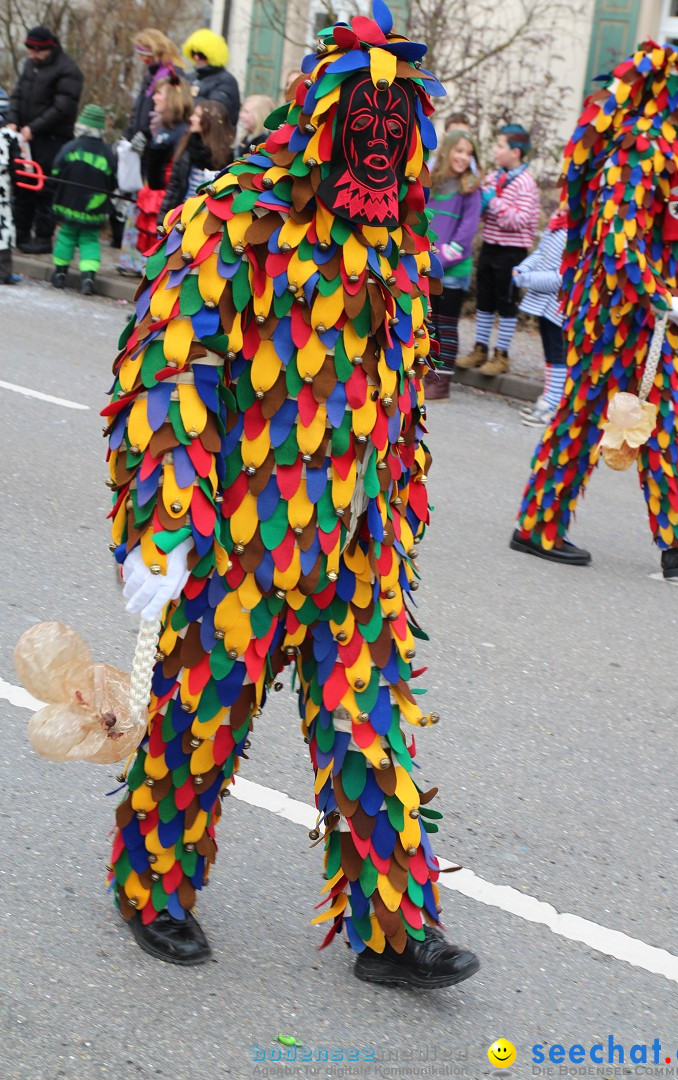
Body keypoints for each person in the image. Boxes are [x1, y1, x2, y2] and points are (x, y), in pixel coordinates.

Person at [104, 0, 480, 990]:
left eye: (398, 142)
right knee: (199, 718)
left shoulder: (393, 248)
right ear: (323, 128)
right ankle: (152, 886)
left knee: (370, 731)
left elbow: (391, 401)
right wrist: (165, 523)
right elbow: (172, 372)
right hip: (240, 536)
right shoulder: (234, 217)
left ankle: (395, 929)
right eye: (365, 135)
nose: (382, 157)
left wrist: (391, 514)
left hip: (354, 547)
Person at [510, 40, 678, 580]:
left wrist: (665, 306)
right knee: (583, 418)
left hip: (651, 323)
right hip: (613, 318)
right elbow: (615, 242)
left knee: (666, 420)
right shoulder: (640, 149)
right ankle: (537, 526)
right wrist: (662, 298)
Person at [456, 124, 539, 376]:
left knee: (505, 301)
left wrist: (492, 201)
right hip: (491, 247)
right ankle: (480, 348)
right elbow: (480, 208)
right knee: (485, 299)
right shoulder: (494, 177)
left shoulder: (525, 183)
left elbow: (518, 220)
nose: (495, 149)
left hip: (511, 252)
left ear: (515, 152)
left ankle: (501, 354)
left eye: (500, 145)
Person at [6, 25, 83, 254]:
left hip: (50, 139)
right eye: (30, 50)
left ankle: (42, 236)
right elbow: (18, 94)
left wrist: (35, 128)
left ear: (49, 48)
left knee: (45, 188)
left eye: (37, 51)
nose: (32, 55)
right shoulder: (31, 65)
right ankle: (20, 233)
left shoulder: (68, 70)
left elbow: (63, 107)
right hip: (25, 137)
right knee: (22, 185)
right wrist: (13, 120)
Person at [117, 28, 186, 277]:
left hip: (155, 146)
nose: (143, 59)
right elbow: (140, 110)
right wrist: (129, 135)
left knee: (149, 206)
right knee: (139, 205)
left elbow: (166, 111)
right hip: (142, 146)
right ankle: (131, 258)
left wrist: (146, 134)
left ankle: (142, 261)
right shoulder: (151, 74)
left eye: (146, 54)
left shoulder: (171, 75)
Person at [426, 130, 481, 398]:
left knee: (445, 325)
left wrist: (439, 258)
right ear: (447, 150)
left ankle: (441, 381)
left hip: (451, 271)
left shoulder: (470, 189)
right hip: (426, 264)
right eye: (459, 150)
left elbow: (465, 234)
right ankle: (423, 373)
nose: (463, 157)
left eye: (469, 153)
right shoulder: (431, 182)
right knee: (425, 323)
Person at [49, 104, 116, 295]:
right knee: (90, 240)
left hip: (68, 205)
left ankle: (60, 273)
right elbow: (113, 182)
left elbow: (55, 172)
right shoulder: (108, 153)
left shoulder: (70, 148)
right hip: (94, 209)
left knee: (66, 237)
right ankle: (88, 278)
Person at [512, 203, 568, 427]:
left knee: (558, 355)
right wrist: (523, 268)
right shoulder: (558, 224)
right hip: (543, 302)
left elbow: (562, 277)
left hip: (558, 305)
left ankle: (553, 405)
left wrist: (527, 279)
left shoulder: (575, 233)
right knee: (550, 354)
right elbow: (541, 253)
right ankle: (548, 399)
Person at [134, 75, 192, 256]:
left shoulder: (183, 131)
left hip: (165, 202)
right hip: (153, 197)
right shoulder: (164, 127)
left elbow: (177, 173)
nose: (154, 98)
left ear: (173, 98)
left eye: (158, 93)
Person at [159, 99, 234, 219]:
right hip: (181, 213)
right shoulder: (187, 144)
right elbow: (174, 185)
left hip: (205, 218)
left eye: (198, 116)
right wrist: (164, 217)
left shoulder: (226, 155)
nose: (191, 118)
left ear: (210, 122)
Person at [182, 29, 240, 127]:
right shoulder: (191, 77)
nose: (196, 57)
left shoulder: (226, 80)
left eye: (201, 55)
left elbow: (215, 111)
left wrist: (185, 101)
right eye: (193, 53)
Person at [0, 87, 22, 284]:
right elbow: (18, 166)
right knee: (3, 233)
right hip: (3, 196)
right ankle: (4, 273)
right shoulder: (9, 136)